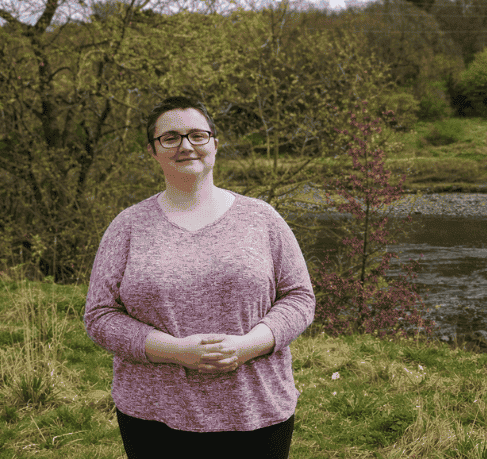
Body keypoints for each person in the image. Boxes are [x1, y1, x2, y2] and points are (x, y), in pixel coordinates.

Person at [83, 96, 315, 458]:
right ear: (153, 150)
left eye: (197, 135)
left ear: (215, 144)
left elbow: (299, 298)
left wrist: (246, 346)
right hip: (153, 417)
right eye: (170, 137)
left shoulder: (262, 218)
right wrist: (175, 351)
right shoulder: (127, 226)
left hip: (255, 410)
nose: (186, 145)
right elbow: (99, 316)